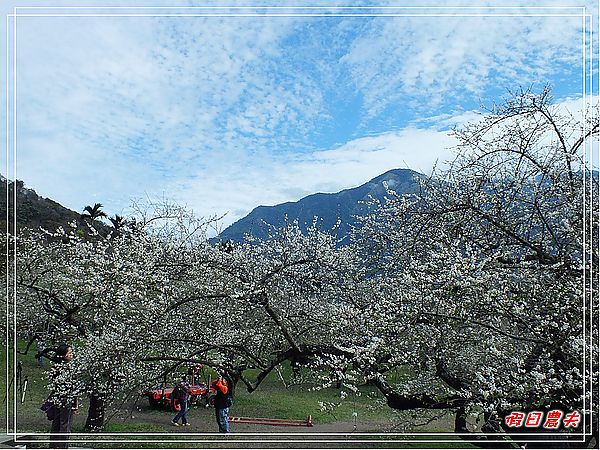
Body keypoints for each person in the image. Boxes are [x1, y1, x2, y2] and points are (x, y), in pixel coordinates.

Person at [45, 344, 77, 449]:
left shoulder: (56, 367)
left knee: (57, 422)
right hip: (66, 398)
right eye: (70, 353)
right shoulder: (68, 368)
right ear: (63, 355)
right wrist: (75, 403)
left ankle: (53, 445)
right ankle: (63, 446)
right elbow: (72, 386)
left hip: (57, 397)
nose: (72, 355)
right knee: (65, 423)